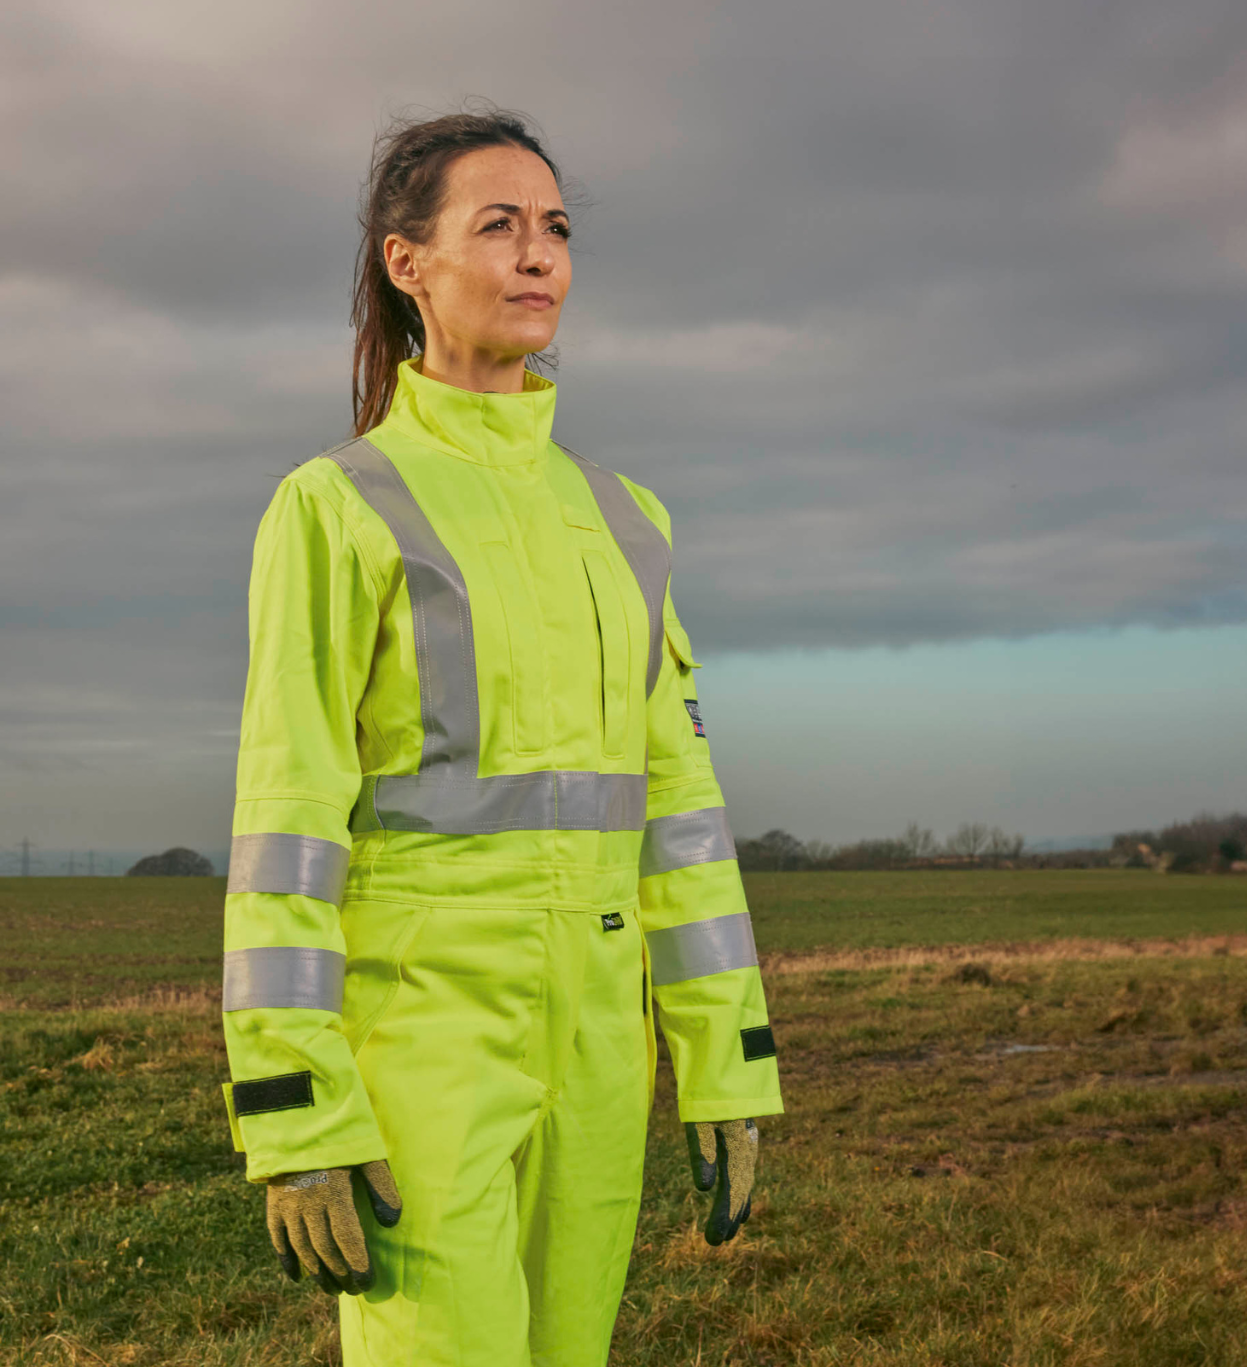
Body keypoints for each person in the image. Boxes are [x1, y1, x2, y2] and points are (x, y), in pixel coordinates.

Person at [217, 106, 782, 1366]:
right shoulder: (336, 507)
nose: (540, 257)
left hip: (597, 1040)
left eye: (558, 229)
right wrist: (296, 1103)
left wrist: (726, 1057)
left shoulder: (625, 518)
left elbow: (677, 811)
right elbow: (286, 821)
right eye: (501, 226)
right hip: (423, 1036)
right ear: (405, 263)